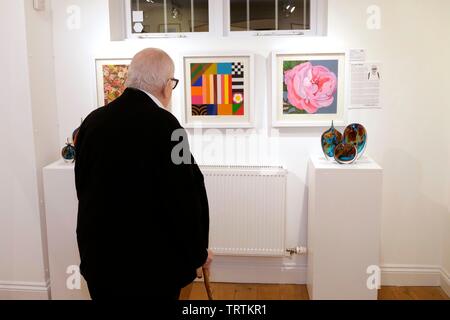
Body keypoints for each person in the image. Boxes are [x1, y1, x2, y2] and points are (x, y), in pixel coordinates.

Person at [74, 48, 212, 300]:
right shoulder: (169, 126)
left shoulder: (92, 122)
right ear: (167, 85)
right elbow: (184, 196)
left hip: (100, 257)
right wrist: (197, 252)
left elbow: (82, 187)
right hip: (151, 265)